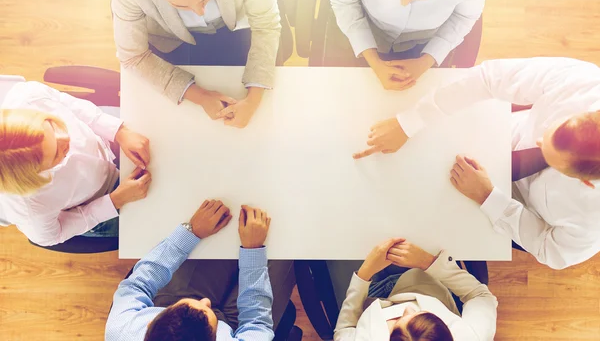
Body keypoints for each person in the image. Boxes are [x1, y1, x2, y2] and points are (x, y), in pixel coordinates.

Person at [354, 57, 600, 269]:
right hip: (492, 133)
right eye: (548, 132)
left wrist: (488, 197)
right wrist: (409, 122)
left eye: (551, 158)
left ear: (587, 183)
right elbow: (488, 77)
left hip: (507, 210)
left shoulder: (593, 219)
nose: (538, 141)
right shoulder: (584, 83)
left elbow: (551, 250)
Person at [111, 0, 281, 129]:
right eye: (181, 6)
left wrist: (253, 100)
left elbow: (266, 23)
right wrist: (200, 96)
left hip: (231, 28)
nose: (199, 12)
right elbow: (133, 56)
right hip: (171, 40)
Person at [105, 200, 295, 341]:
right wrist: (253, 251)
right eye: (206, 306)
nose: (206, 302)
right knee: (285, 244)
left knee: (220, 221)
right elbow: (257, 324)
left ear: (150, 324)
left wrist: (191, 232)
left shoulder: (122, 329)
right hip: (238, 329)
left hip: (171, 301)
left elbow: (138, 284)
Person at [0, 81, 151, 246]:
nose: (67, 139)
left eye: (52, 126)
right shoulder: (28, 207)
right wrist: (115, 201)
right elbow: (52, 236)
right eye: (58, 153)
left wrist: (118, 131)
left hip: (103, 136)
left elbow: (69, 104)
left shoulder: (28, 96)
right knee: (161, 223)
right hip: (102, 198)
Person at [330, 0, 489, 90]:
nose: (404, 2)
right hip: (368, 29)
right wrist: (374, 61)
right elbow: (345, 3)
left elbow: (464, 17)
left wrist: (426, 61)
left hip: (427, 42)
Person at [333, 238, 497, 340]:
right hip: (426, 278)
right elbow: (479, 295)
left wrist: (364, 274)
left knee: (338, 241)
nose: (409, 308)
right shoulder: (470, 337)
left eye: (396, 323)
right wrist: (428, 262)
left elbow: (344, 330)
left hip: (370, 296)